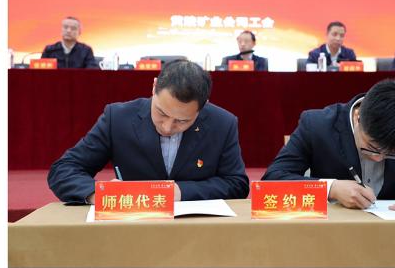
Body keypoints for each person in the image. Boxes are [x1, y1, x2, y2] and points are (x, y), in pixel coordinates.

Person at [47, 60, 250, 204]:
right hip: (132, 227)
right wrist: (99, 194)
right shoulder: (117, 118)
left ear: (203, 106)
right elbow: (63, 170)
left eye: (182, 121)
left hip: (196, 233)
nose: (167, 127)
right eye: (161, 113)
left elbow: (236, 184)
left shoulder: (223, 123)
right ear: (154, 87)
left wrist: (179, 192)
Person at [262, 78, 395, 207]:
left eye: (392, 153)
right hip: (329, 235)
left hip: (394, 239)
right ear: (358, 117)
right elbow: (271, 181)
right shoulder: (317, 124)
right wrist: (331, 188)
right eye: (371, 147)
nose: (378, 158)